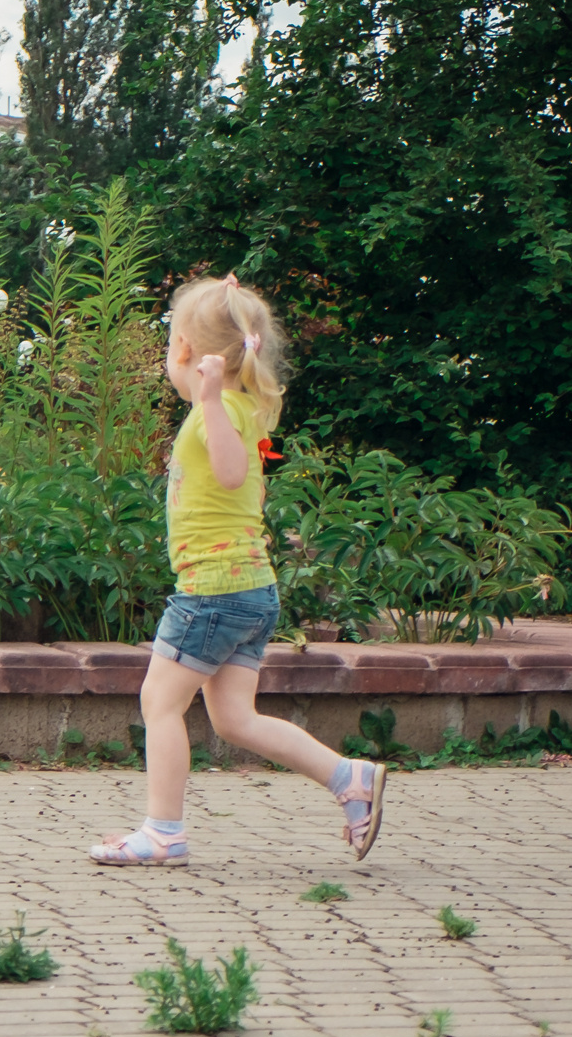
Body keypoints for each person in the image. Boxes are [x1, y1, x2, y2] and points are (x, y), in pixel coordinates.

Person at [88, 274, 385, 867]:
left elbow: (228, 474)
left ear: (185, 351)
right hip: (250, 591)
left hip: (213, 592)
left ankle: (163, 832)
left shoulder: (217, 410)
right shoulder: (245, 406)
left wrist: (207, 399)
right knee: (234, 719)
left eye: (171, 344)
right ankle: (348, 777)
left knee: (159, 703)